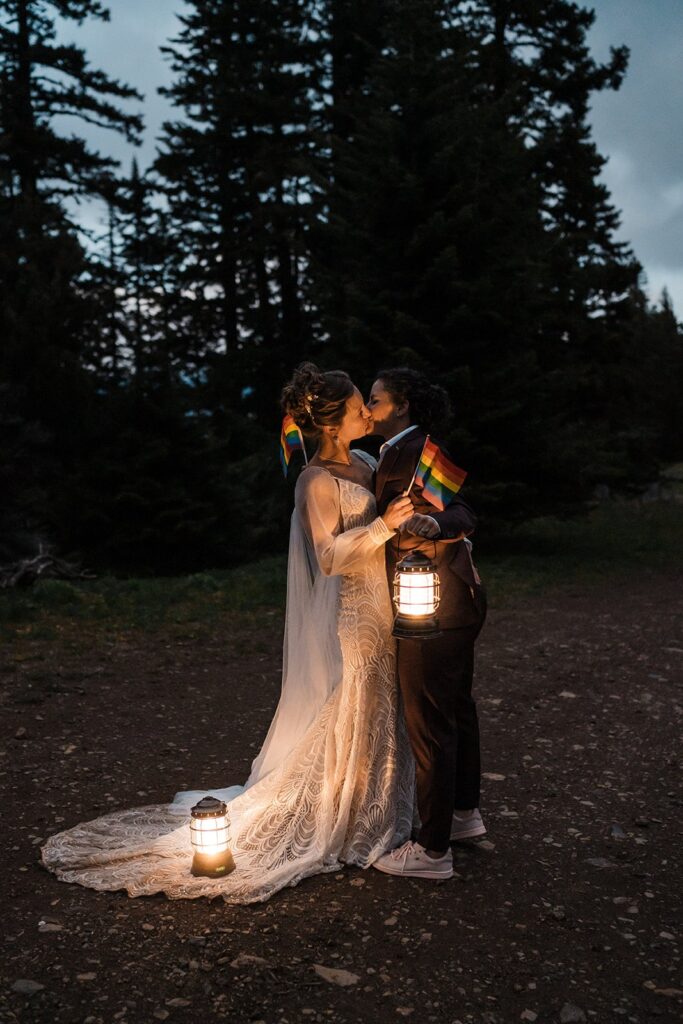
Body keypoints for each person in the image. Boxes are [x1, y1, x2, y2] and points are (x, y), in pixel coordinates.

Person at [41, 362, 417, 904]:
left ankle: (378, 807)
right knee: (353, 703)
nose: (367, 411)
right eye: (359, 404)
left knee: (384, 705)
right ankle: (344, 815)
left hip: (384, 608)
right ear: (334, 421)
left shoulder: (365, 460)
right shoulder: (315, 481)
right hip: (352, 616)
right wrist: (384, 525)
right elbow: (329, 557)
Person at [367, 368, 487, 880]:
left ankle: (432, 851)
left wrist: (435, 522)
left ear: (402, 405)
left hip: (430, 605)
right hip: (460, 600)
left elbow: (461, 509)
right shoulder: (393, 449)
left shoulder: (418, 450)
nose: (368, 407)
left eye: (374, 399)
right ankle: (463, 816)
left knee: (430, 723)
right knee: (456, 709)